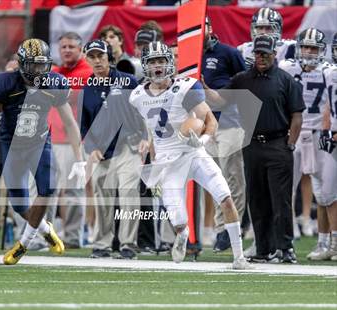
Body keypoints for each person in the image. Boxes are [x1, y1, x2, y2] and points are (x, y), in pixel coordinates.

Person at [129, 42, 250, 269]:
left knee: (225, 196)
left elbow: (210, 121)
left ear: (170, 63)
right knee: (179, 221)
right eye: (153, 61)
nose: (158, 66)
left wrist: (201, 140)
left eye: (162, 61)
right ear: (145, 65)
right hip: (167, 161)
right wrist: (151, 156)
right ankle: (182, 234)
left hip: (193, 152)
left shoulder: (185, 87)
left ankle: (239, 258)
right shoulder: (136, 96)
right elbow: (150, 129)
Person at [0, 38, 86, 265]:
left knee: (47, 190)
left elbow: (69, 123)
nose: (38, 71)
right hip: (11, 144)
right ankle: (45, 228)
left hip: (39, 142)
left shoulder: (55, 83)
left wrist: (79, 159)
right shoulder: (5, 83)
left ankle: (24, 244)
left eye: (42, 65)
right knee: (19, 204)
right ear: (21, 63)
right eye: (33, 65)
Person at [227, 35, 304, 263]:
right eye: (257, 53)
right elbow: (219, 99)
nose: (260, 57)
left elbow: (297, 116)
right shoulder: (242, 79)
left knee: (281, 200)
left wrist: (290, 143)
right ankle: (263, 249)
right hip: (251, 144)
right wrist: (201, 84)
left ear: (274, 54)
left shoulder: (285, 80)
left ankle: (285, 248)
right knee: (257, 199)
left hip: (278, 143)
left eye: (265, 54)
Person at [79, 39, 148, 259]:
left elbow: (143, 111)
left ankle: (128, 244)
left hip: (128, 145)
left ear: (109, 57)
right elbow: (83, 125)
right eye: (92, 57)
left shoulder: (128, 81)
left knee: (129, 194)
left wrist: (146, 137)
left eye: (101, 56)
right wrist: (91, 149)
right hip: (101, 151)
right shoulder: (86, 89)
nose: (97, 60)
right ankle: (102, 244)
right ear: (87, 59)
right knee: (103, 198)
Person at [279, 28, 330, 259]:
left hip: (320, 134)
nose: (309, 52)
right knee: (284, 188)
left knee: (325, 192)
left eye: (314, 48)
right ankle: (284, 239)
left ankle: (326, 241)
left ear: (322, 50)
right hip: (294, 133)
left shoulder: (329, 72)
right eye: (305, 47)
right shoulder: (287, 68)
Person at [201, 16, 247, 251]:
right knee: (214, 180)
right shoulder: (191, 57)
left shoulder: (228, 53)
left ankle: (235, 229)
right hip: (204, 125)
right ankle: (221, 229)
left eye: (205, 25)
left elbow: (245, 81)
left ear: (211, 27)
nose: (203, 30)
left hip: (229, 122)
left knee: (233, 179)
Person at [48, 32, 93, 248]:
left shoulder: (87, 72)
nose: (66, 50)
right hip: (51, 138)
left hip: (75, 141)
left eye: (71, 47)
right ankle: (45, 235)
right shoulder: (54, 72)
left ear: (80, 49)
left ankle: (73, 237)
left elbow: (66, 95)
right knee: (47, 189)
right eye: (63, 46)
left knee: (75, 190)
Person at [312, 32, 337, 261]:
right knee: (326, 193)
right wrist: (327, 130)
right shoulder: (330, 73)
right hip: (331, 137)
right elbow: (328, 104)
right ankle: (332, 244)